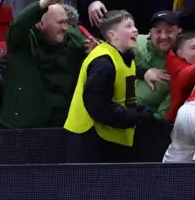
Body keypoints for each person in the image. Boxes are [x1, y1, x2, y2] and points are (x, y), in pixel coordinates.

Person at [64, 10, 159, 163]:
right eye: (128, 26)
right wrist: (136, 117)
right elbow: (99, 108)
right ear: (112, 35)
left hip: (109, 138)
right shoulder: (103, 64)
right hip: (88, 141)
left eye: (134, 25)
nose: (135, 29)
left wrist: (139, 111)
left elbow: (126, 99)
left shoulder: (127, 58)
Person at [0, 0, 90, 129]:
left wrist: (94, 53)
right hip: (23, 127)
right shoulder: (22, 43)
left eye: (66, 22)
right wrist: (43, 4)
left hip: (62, 124)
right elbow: (18, 25)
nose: (65, 28)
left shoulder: (74, 42)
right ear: (41, 25)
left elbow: (90, 45)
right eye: (60, 23)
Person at [163, 31, 195, 162]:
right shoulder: (177, 66)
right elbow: (184, 77)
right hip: (176, 127)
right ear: (180, 54)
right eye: (194, 47)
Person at [134, 11, 181, 118]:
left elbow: (166, 110)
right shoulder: (135, 41)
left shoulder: (181, 63)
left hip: (140, 121)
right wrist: (144, 71)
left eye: (169, 31)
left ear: (179, 32)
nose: (163, 36)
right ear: (151, 32)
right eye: (158, 31)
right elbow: (115, 51)